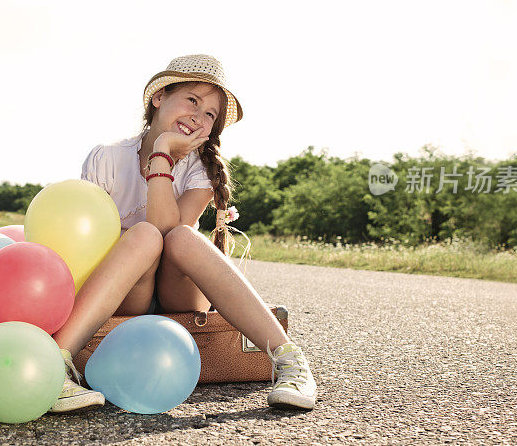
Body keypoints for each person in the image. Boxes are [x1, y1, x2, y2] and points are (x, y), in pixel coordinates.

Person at [49, 54, 317, 413]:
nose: (199, 116)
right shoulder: (107, 158)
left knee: (181, 237)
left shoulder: (202, 169)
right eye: (193, 100)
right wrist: (159, 150)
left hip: (179, 292)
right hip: (127, 292)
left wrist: (162, 155)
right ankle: (54, 367)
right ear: (159, 97)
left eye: (210, 114)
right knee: (143, 237)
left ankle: (289, 361)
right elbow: (94, 241)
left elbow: (169, 230)